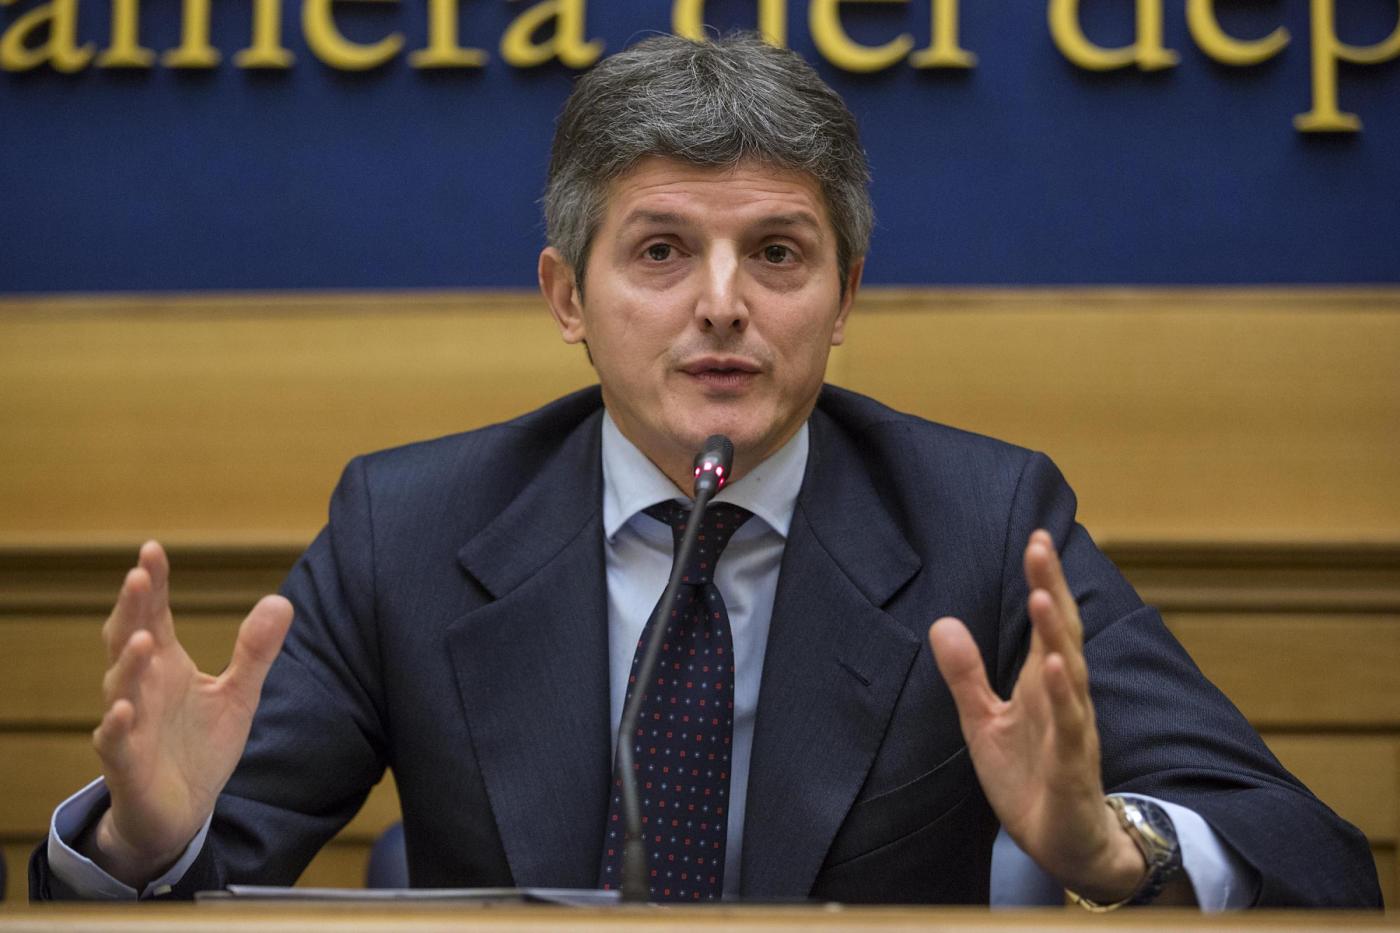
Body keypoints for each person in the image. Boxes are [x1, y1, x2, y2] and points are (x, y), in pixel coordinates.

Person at [32, 33, 1379, 907]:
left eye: (778, 254)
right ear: (568, 296)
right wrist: (142, 838)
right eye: (662, 251)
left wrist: (1117, 852)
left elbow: (1304, 851)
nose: (723, 304)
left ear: (846, 297)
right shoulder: (411, 528)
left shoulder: (983, 519)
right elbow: (189, 859)